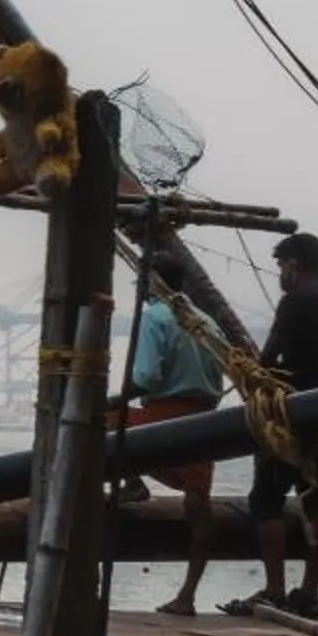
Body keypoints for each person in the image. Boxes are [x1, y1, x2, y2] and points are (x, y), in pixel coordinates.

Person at [224, 231, 318, 619]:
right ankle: (310, 594)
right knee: (316, 499)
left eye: (280, 266)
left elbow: (268, 357)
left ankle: (275, 590)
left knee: (266, 501)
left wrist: (248, 372)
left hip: (288, 417)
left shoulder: (294, 301)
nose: (279, 273)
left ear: (294, 265)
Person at [122, 247, 228, 615]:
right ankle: (187, 595)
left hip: (164, 419)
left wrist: (113, 398)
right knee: (199, 509)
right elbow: (220, 372)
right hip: (204, 423)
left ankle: (132, 481)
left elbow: (146, 377)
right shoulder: (207, 321)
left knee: (103, 419)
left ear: (151, 282)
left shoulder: (155, 315)